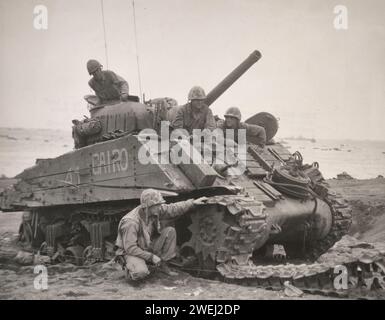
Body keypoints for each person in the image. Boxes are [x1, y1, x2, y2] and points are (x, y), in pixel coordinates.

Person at [114, 189, 207, 282]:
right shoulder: (131, 222)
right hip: (130, 252)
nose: (160, 206)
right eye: (157, 204)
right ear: (148, 206)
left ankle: (163, 265)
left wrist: (192, 203)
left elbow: (172, 208)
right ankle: (129, 268)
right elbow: (130, 248)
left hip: (145, 245)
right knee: (141, 273)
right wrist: (151, 257)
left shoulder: (153, 210)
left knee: (170, 231)